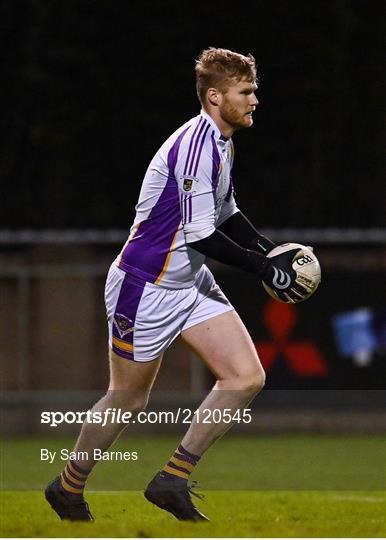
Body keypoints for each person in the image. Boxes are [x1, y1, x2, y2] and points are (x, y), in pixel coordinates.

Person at [45, 47, 310, 522]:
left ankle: (172, 478)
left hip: (189, 282)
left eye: (254, 91)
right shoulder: (194, 148)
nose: (254, 101)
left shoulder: (222, 142)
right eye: (245, 92)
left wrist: (270, 252)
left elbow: (227, 213)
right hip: (144, 287)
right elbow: (201, 233)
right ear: (215, 96)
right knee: (128, 397)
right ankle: (67, 487)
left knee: (246, 376)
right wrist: (260, 268)